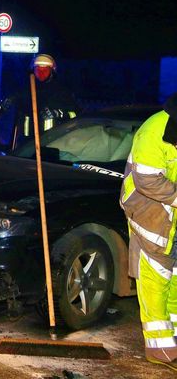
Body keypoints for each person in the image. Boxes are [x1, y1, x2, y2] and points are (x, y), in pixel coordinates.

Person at [119, 93, 177, 369]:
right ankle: (159, 348)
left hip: (171, 212)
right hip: (148, 211)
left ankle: (172, 337)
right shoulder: (154, 131)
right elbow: (147, 181)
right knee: (156, 275)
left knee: (174, 278)